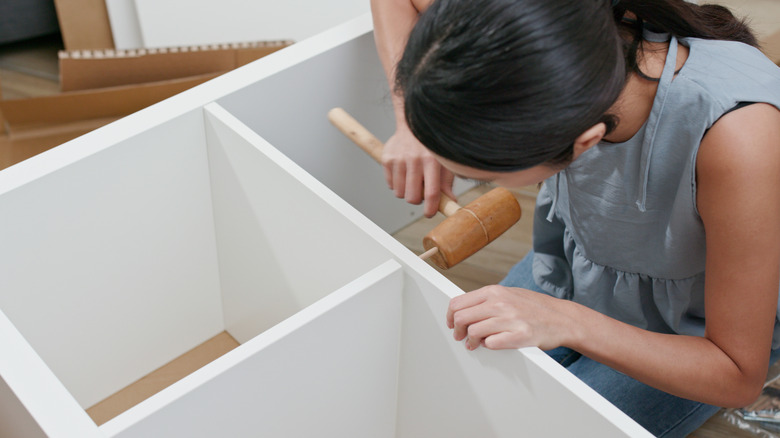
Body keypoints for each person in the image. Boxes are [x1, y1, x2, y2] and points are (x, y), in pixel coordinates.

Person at [370, 0, 780, 436]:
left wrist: (567, 322)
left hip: (697, 327)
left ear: (586, 143)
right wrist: (413, 118)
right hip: (580, 260)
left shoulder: (738, 139)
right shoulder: (534, 20)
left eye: (483, 177)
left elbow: (737, 373)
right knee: (448, 388)